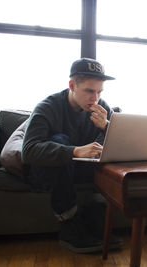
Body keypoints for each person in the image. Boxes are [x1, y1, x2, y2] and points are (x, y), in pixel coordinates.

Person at [22, 58, 122, 253]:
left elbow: (119, 146)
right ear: (72, 86)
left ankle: (96, 217)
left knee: (105, 150)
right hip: (45, 172)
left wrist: (107, 127)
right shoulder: (48, 107)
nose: (95, 98)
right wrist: (74, 151)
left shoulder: (101, 107)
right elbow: (29, 151)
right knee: (60, 139)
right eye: (89, 91)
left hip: (79, 171)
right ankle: (69, 223)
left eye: (99, 92)